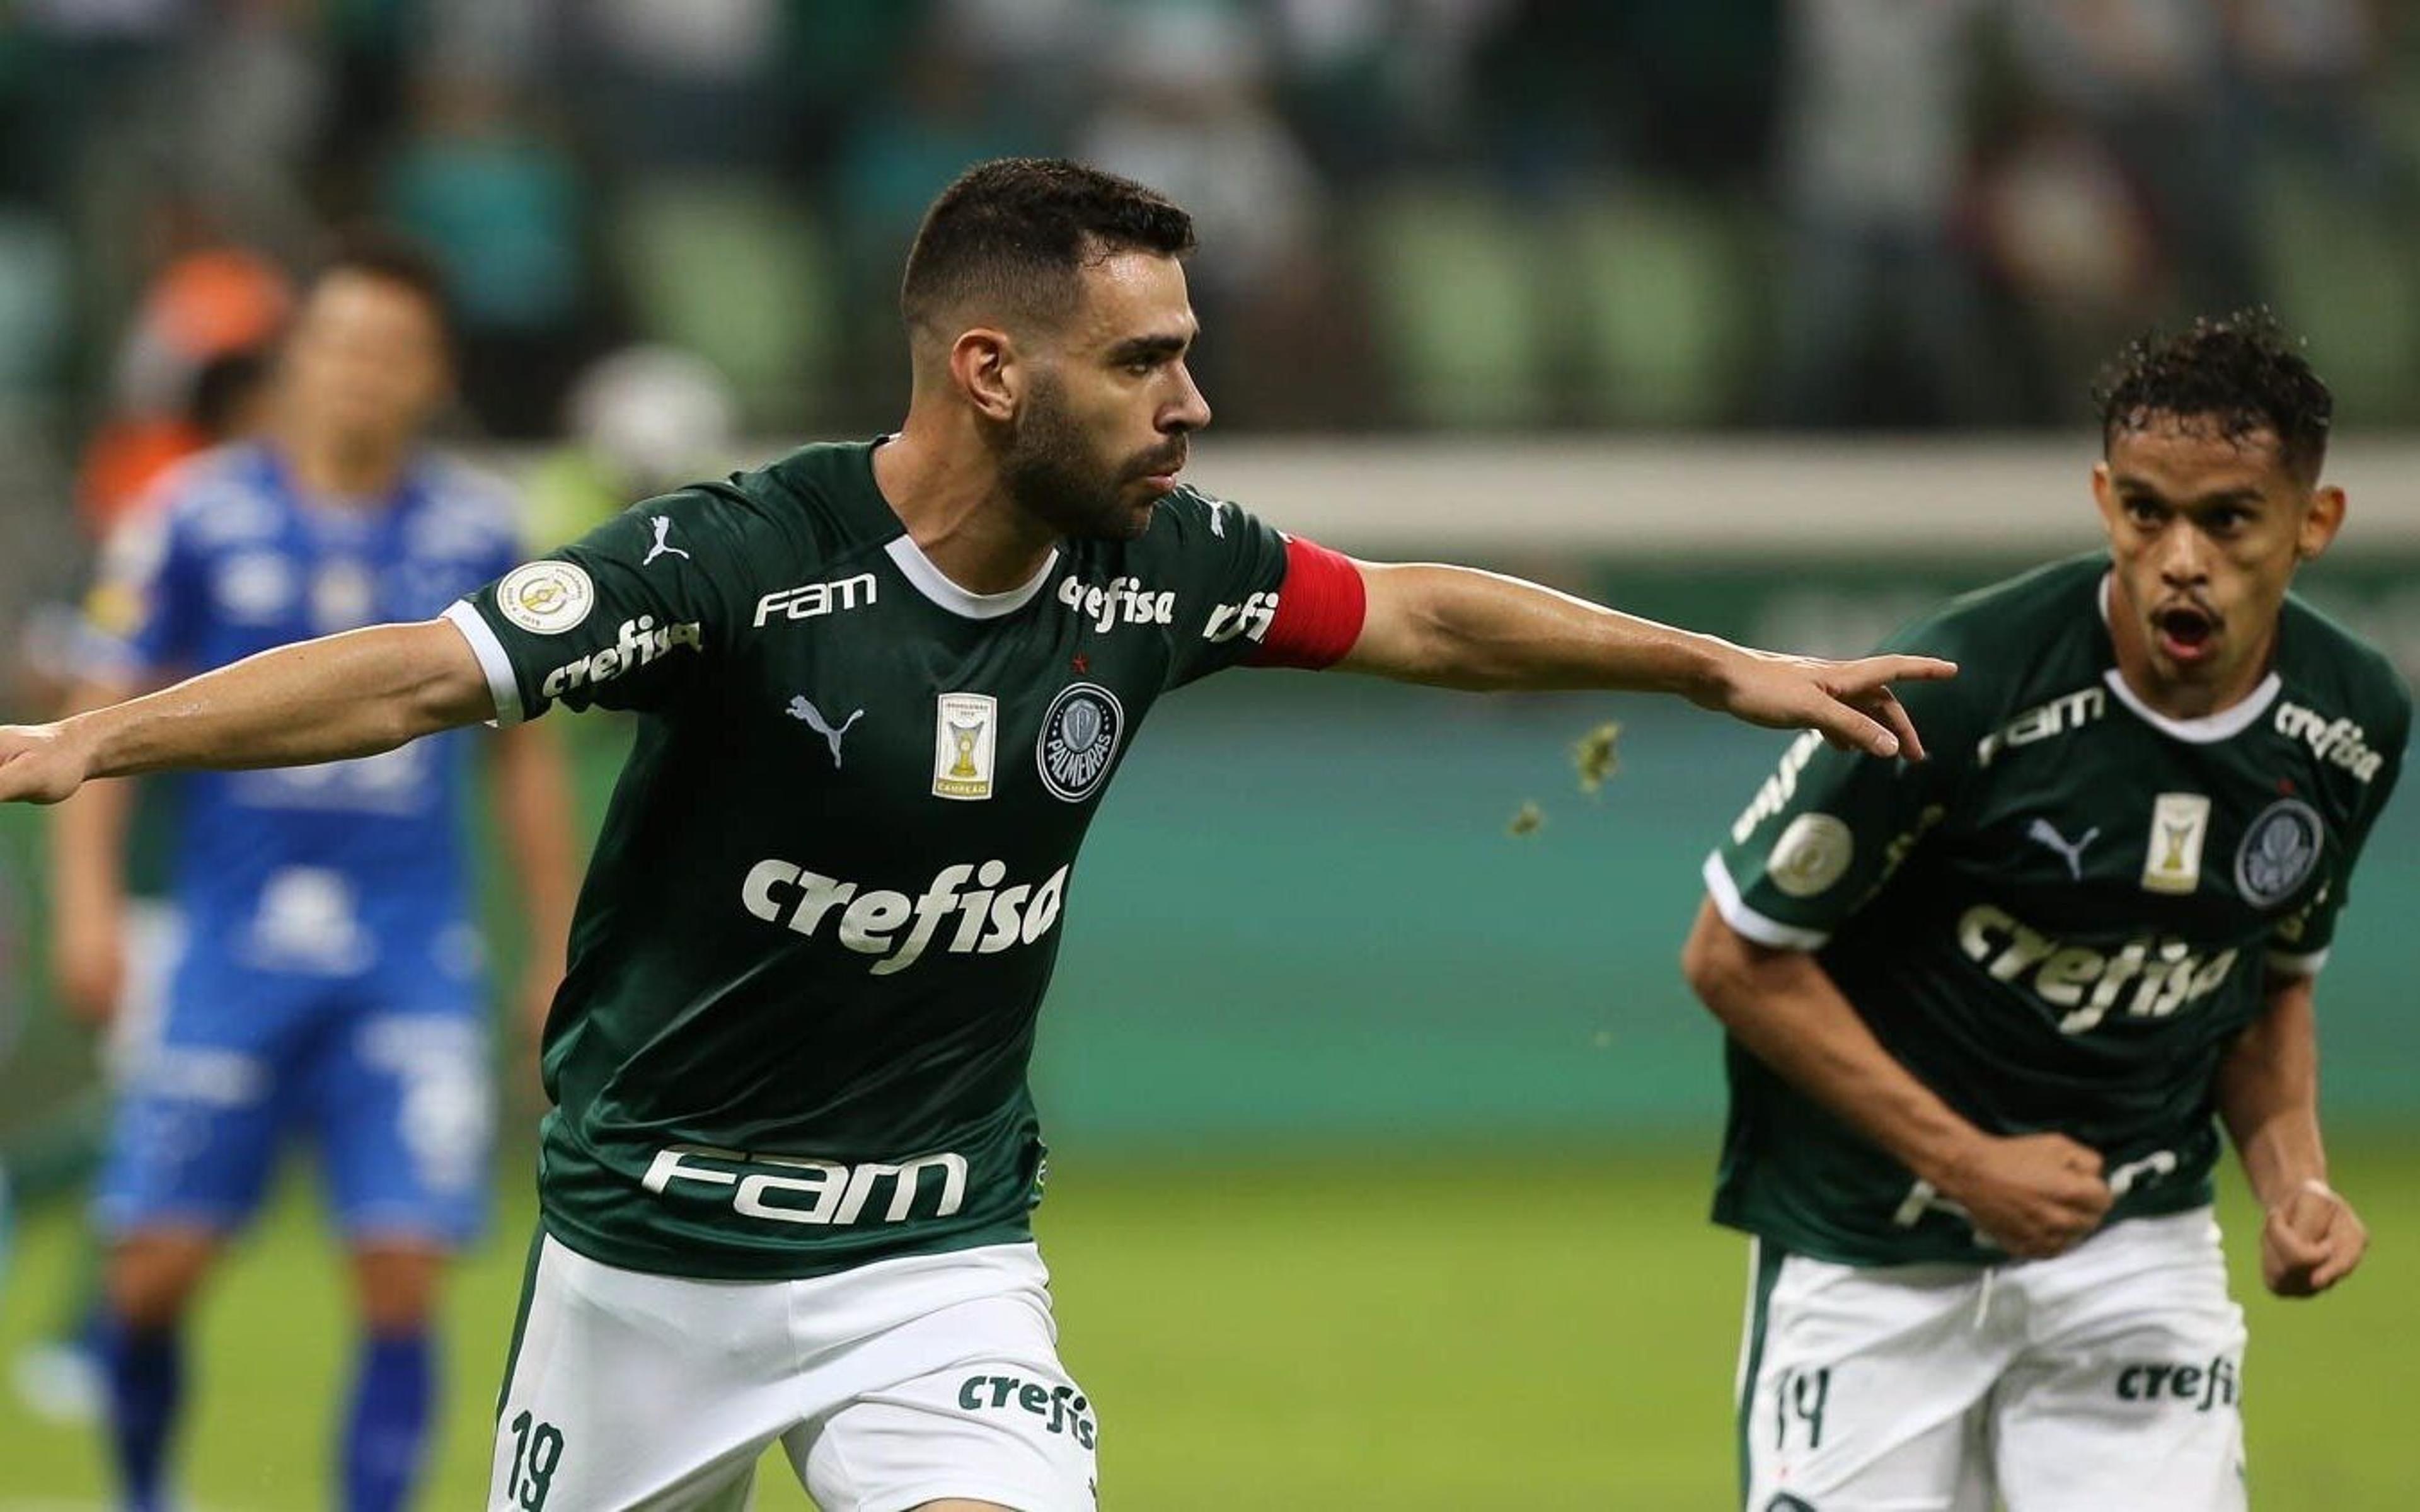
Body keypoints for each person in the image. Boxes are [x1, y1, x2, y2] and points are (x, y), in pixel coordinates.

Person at [0, 159, 1949, 1512]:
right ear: (988, 369)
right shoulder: (736, 566)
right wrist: (102, 746)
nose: (1192, 405)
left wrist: (1713, 669)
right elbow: (424, 675)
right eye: (1144, 363)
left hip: (933, 1259)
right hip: (646, 1263)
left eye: (1188, 354)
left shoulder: (1163, 574)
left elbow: (1421, 610)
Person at [1683, 310, 2402, 1511]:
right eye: (2145, 510)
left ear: (2312, 524)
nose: (2181, 556)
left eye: (2227, 518)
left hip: (2132, 1246)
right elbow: (1734, 957)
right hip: (1876, 1248)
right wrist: (1970, 1164)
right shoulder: (1965, 686)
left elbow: (2268, 985)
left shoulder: (2352, 719)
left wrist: (2295, 1184)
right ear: (2103, 499)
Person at [44, 234, 580, 1512]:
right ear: (295, 363)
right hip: (226, 944)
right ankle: (143, 1488)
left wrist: (557, 942)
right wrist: (87, 909)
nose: (359, 374)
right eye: (337, 345)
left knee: (401, 1268)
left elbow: (524, 761)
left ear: (430, 373)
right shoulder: (191, 513)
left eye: (389, 352)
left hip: (411, 949)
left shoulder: (479, 526)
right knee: (152, 1273)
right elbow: (90, 711)